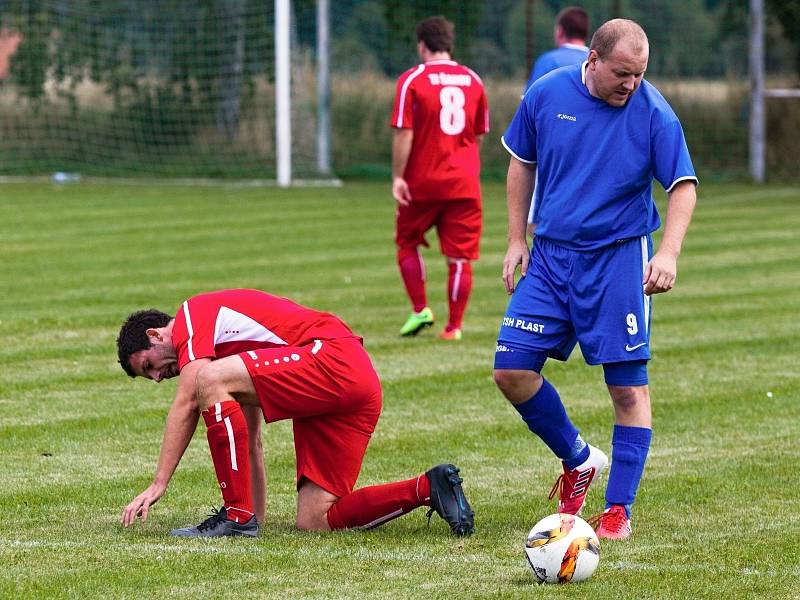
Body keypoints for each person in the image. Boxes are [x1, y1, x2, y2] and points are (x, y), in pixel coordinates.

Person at [493, 19, 697, 540]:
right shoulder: (547, 93)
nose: (631, 84)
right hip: (552, 257)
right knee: (511, 371)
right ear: (593, 60)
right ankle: (578, 459)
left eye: (640, 74)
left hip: (617, 260)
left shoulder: (653, 112)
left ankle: (617, 510)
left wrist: (668, 253)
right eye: (623, 73)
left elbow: (682, 185)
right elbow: (521, 164)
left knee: (626, 388)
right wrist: (517, 239)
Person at [117, 288, 474, 537]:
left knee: (206, 380)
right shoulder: (229, 363)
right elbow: (250, 440)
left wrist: (159, 483)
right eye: (147, 376)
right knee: (315, 519)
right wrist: (256, 514)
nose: (156, 377)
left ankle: (236, 518)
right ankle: (430, 487)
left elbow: (188, 400)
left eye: (148, 365)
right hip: (351, 384)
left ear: (156, 334)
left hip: (331, 357)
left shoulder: (191, 318)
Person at [390, 15, 489, 341]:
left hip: (422, 181)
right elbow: (478, 134)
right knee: (459, 257)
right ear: (449, 44)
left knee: (407, 242)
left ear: (422, 45)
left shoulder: (412, 80)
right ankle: (453, 327)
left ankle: (420, 309)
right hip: (463, 183)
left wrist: (397, 176)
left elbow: (404, 133)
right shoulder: (474, 80)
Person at [523, 6, 590, 238]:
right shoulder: (598, 60)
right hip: (593, 152)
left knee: (536, 222)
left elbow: (528, 108)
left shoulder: (549, 61)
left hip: (554, 151)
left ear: (560, 31)